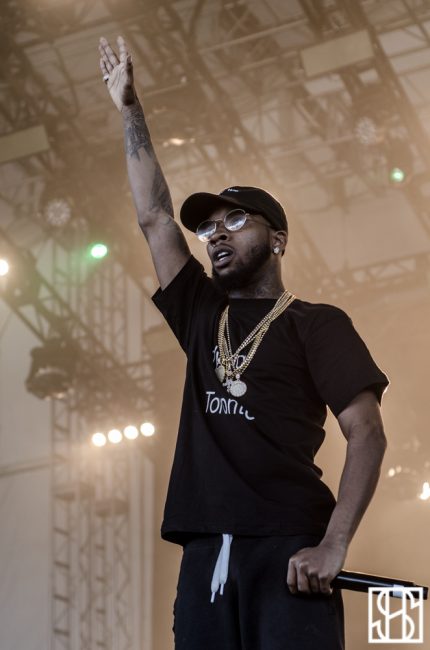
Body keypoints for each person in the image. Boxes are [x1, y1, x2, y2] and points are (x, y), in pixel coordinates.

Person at [99, 36, 389, 650]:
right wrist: (129, 108)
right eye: (208, 227)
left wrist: (333, 544)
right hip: (206, 548)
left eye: (235, 220)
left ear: (277, 239)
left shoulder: (316, 323)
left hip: (289, 547)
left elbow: (366, 432)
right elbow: (155, 217)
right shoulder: (201, 309)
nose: (217, 235)